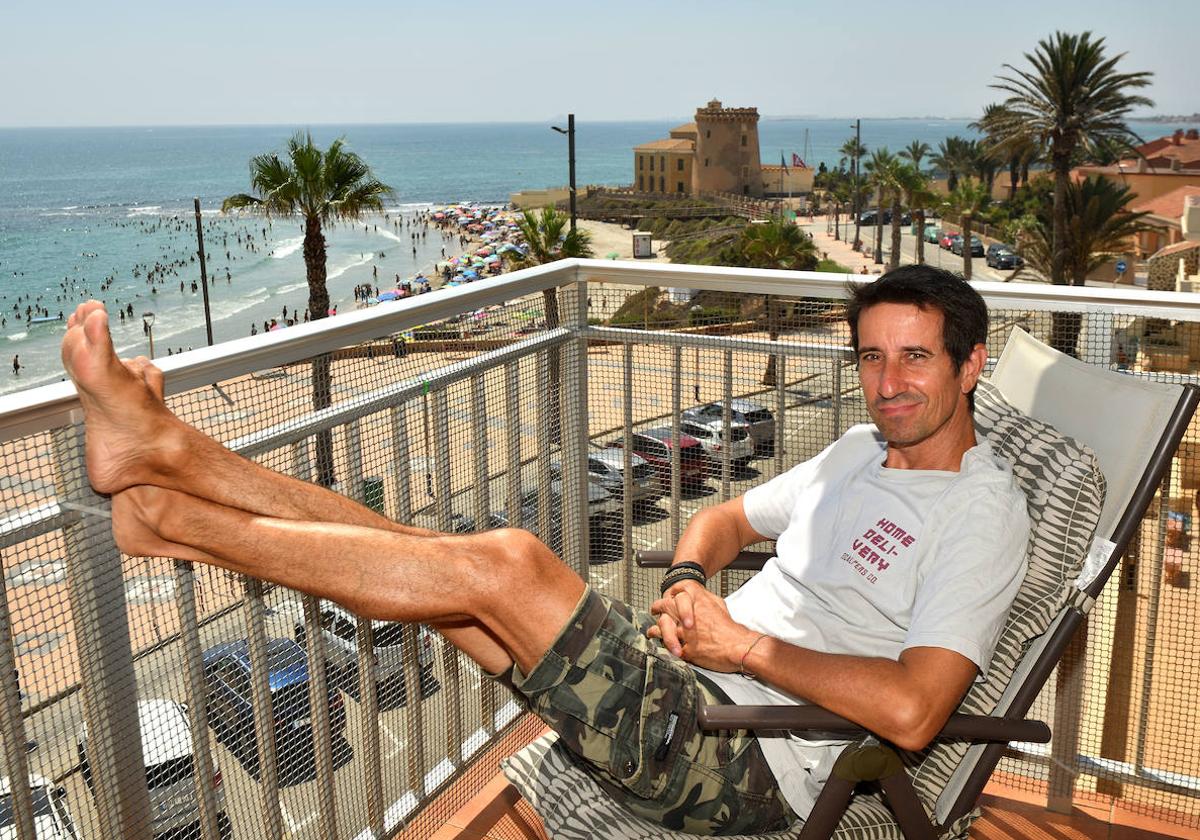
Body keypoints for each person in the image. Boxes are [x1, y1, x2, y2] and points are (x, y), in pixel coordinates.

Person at [59, 266, 1029, 835]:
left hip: (756, 760)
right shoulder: (860, 454)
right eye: (872, 356)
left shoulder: (982, 514)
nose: (889, 382)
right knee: (436, 560)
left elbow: (913, 711)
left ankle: (171, 496)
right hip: (692, 680)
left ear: (970, 364)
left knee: (508, 564)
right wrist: (692, 582)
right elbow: (726, 521)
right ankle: (167, 483)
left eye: (917, 358)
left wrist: (741, 649)